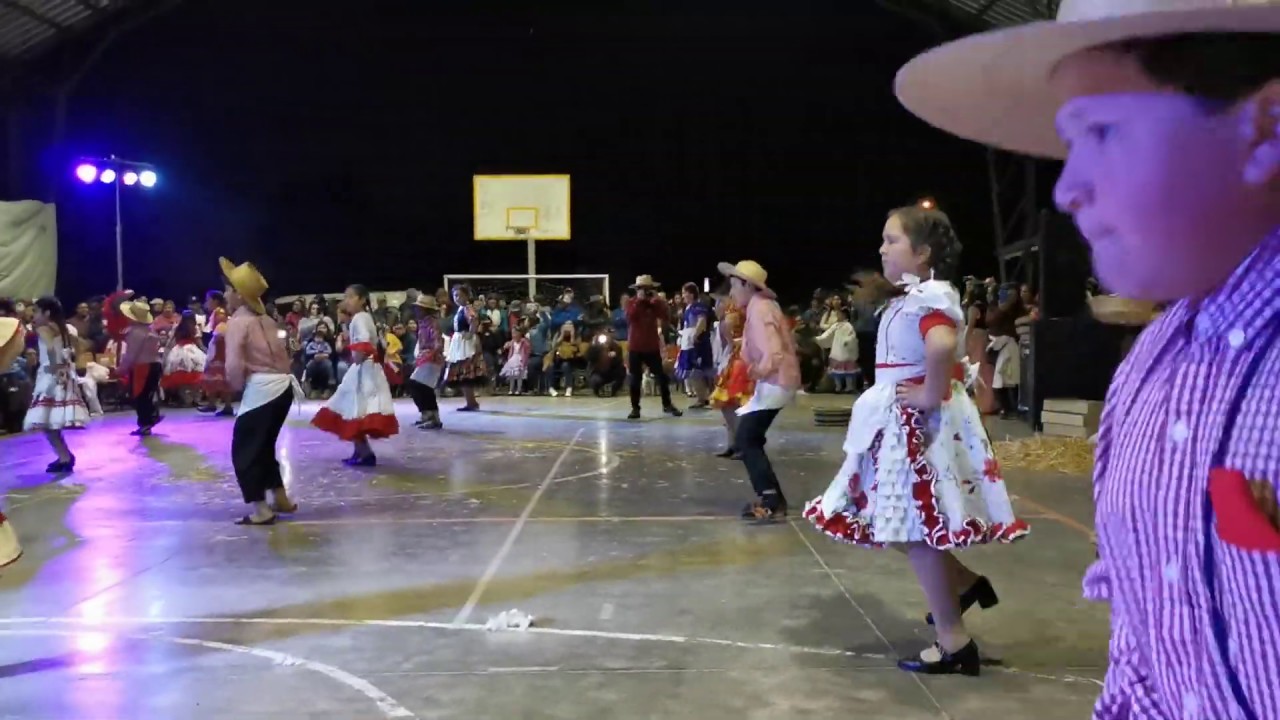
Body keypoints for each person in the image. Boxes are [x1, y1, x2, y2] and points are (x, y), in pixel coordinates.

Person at [896, 0, 1280, 712]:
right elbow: (1145, 648)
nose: (1069, 190)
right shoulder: (1148, 371)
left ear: (1267, 128)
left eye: (1103, 132)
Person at [802, 207, 1028, 676]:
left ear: (922, 253)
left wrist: (928, 392)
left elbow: (942, 345)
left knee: (911, 528)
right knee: (892, 519)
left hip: (916, 426)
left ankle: (954, 642)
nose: (882, 248)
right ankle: (962, 586)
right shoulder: (912, 296)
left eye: (892, 240)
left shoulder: (930, 295)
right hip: (899, 421)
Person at [218, 258, 301, 526]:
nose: (226, 295)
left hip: (263, 389)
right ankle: (279, 496)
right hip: (284, 386)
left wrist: (237, 388)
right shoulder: (266, 318)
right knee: (263, 447)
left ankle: (261, 509)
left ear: (239, 294)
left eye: (229, 290)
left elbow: (234, 365)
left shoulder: (238, 322)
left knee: (245, 450)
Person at [717, 260, 799, 522]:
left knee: (747, 440)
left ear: (746, 285)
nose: (731, 293)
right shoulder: (761, 307)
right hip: (775, 381)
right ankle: (773, 499)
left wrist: (758, 370)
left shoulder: (760, 309)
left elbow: (773, 352)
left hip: (776, 381)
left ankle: (772, 502)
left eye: (733, 286)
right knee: (748, 439)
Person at [311, 284, 399, 465]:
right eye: (346, 297)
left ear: (362, 299)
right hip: (367, 368)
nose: (347, 301)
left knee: (352, 409)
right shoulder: (364, 317)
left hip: (363, 369)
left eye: (351, 297)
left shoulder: (359, 317)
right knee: (353, 409)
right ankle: (361, 451)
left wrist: (357, 357)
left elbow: (364, 341)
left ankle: (364, 453)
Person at [21, 298, 88, 473]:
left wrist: (54, 365)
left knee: (46, 421)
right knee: (50, 422)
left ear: (47, 313)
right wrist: (66, 362)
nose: (34, 315)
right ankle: (64, 456)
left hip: (51, 375)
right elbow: (78, 344)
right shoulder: (63, 328)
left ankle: (65, 456)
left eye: (37, 311)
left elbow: (50, 348)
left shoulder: (44, 328)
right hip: (63, 374)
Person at [624, 275, 682, 420]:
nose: (645, 291)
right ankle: (635, 408)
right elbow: (630, 317)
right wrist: (639, 301)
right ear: (637, 290)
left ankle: (667, 404)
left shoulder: (654, 303)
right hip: (636, 347)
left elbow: (665, 317)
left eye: (647, 289)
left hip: (651, 346)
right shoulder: (631, 302)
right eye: (642, 289)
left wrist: (657, 301)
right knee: (635, 379)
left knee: (662, 377)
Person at [709, 286, 754, 458]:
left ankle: (742, 445)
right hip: (734, 360)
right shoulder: (733, 312)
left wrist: (735, 341)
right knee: (729, 404)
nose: (716, 306)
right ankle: (734, 443)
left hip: (741, 360)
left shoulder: (737, 310)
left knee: (737, 403)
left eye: (719, 302)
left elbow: (731, 334)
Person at [116, 300, 164, 436]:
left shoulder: (135, 333)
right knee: (148, 394)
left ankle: (145, 423)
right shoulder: (151, 331)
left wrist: (121, 369)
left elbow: (131, 354)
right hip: (154, 365)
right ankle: (150, 418)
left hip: (143, 367)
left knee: (140, 395)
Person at [442, 284, 488, 411]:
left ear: (466, 296)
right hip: (460, 342)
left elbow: (474, 320)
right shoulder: (461, 309)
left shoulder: (467, 308)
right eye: (454, 296)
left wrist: (470, 334)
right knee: (463, 372)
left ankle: (471, 402)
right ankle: (470, 402)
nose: (456, 298)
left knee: (465, 371)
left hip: (465, 344)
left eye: (458, 295)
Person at [674, 282, 716, 409]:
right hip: (690, 343)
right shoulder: (688, 308)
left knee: (702, 370)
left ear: (691, 294)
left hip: (698, 343)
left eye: (684, 293)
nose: (682, 296)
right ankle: (702, 398)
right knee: (694, 372)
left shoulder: (699, 306)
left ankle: (711, 397)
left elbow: (702, 322)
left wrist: (695, 336)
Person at [407, 293, 444, 430]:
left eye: (419, 308)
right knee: (420, 386)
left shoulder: (432, 323)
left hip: (432, 359)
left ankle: (432, 417)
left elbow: (438, 343)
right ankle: (428, 415)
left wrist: (429, 355)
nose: (416, 310)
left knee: (420, 386)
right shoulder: (423, 323)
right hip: (425, 358)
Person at [586, 327, 626, 397]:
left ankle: (613, 389)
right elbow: (589, 357)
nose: (608, 336)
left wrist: (613, 357)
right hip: (598, 372)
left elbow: (619, 362)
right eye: (606, 334)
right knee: (595, 380)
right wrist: (596, 348)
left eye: (610, 334)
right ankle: (598, 390)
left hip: (612, 372)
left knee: (622, 371)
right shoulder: (595, 346)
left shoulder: (616, 347)